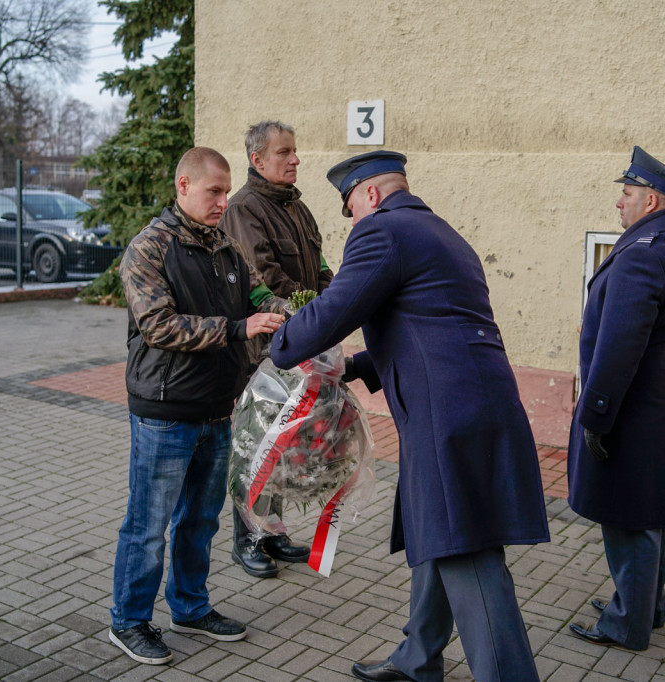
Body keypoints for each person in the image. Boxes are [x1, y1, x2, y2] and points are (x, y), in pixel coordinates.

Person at [270, 151, 550, 682]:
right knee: (439, 530)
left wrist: (281, 342)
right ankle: (419, 658)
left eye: (352, 207)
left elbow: (335, 310)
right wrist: (354, 367)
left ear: (371, 194)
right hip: (475, 404)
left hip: (448, 417)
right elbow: (431, 324)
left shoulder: (381, 232)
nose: (352, 220)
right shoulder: (442, 233)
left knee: (467, 552)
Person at [108, 147, 288, 665]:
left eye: (227, 191)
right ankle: (129, 621)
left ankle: (189, 607)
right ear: (183, 186)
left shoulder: (226, 247)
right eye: (214, 191)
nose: (223, 201)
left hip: (216, 409)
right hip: (164, 412)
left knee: (201, 521)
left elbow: (260, 298)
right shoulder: (149, 248)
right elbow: (159, 326)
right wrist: (238, 329)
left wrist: (308, 312)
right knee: (148, 525)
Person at [566, 146, 665, 651]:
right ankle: (645, 605)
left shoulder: (643, 252)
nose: (619, 202)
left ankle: (627, 623)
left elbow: (620, 345)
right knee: (648, 510)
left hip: (628, 401)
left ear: (650, 200)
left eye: (626, 193)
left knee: (629, 514)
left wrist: (597, 415)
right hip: (651, 394)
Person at [218, 120, 333, 578]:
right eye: (284, 152)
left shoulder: (298, 208)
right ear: (257, 159)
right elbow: (265, 279)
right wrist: (315, 315)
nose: (295, 159)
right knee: (256, 445)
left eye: (294, 151)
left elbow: (321, 270)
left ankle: (272, 531)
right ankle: (246, 540)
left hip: (301, 346)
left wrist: (334, 307)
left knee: (284, 445)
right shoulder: (244, 209)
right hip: (263, 355)